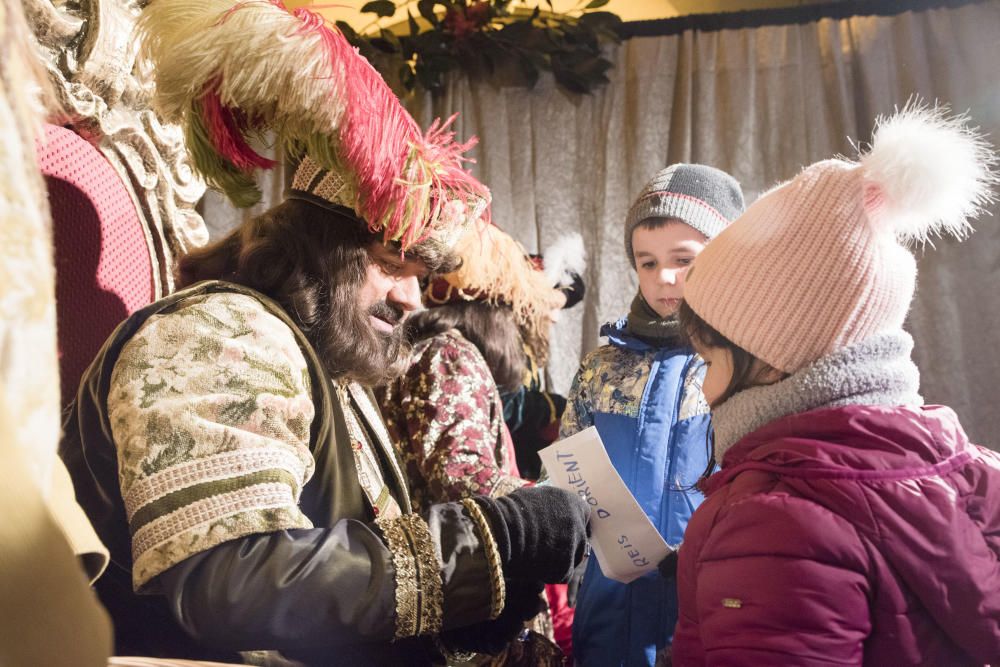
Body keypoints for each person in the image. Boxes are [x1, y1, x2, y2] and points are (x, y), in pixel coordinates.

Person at [59, 1, 589, 664]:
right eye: (393, 264)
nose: (409, 298)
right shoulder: (221, 332)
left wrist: (470, 608)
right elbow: (233, 585)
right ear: (322, 251)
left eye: (420, 274)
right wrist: (486, 544)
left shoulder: (327, 365)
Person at [672, 106, 1000, 666]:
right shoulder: (980, 471)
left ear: (775, 361)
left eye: (709, 359)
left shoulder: (772, 519)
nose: (700, 390)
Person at [560, 164, 745, 666]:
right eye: (647, 262)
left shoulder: (743, 367)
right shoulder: (601, 369)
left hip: (710, 613)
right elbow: (566, 478)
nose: (663, 277)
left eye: (683, 260)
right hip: (608, 613)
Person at [380, 219, 569, 662]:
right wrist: (557, 506)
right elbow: (463, 477)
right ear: (498, 314)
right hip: (459, 599)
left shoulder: (427, 352)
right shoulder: (448, 355)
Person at [502, 233, 587, 481]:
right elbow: (504, 407)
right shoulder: (500, 343)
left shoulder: (525, 342)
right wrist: (558, 407)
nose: (555, 318)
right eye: (549, 307)